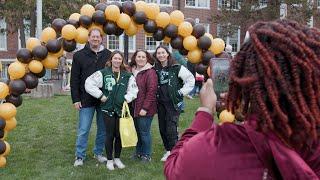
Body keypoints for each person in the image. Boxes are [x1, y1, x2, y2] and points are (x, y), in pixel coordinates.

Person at [164, 19, 320, 179]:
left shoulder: (216, 148)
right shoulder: (312, 145)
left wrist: (204, 112)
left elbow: (175, 168)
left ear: (244, 79)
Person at [85, 51, 138, 170]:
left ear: (122, 61)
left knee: (119, 135)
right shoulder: (103, 73)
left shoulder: (127, 75)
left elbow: (134, 90)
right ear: (111, 60)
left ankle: (117, 158)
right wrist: (100, 95)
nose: (117, 61)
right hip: (107, 109)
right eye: (115, 58)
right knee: (109, 134)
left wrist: (126, 98)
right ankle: (109, 159)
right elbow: (89, 83)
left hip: (121, 109)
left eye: (119, 59)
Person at [70, 28, 111, 167]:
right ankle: (79, 156)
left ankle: (98, 153)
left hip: (103, 99)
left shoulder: (108, 55)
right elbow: (74, 79)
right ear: (88, 38)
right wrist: (75, 99)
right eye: (93, 37)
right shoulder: (79, 55)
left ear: (101, 39)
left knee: (103, 128)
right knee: (84, 129)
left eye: (98, 37)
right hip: (85, 99)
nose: (95, 39)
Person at [153, 45, 195, 162]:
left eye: (163, 53)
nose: (161, 55)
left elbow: (190, 79)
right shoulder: (155, 68)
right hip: (160, 103)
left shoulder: (177, 67)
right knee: (162, 128)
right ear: (156, 55)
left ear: (167, 54)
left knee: (171, 128)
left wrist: (181, 92)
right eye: (159, 53)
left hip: (173, 102)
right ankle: (168, 151)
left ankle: (175, 152)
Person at [129, 50, 158, 162]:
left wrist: (145, 108)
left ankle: (146, 154)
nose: (140, 59)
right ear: (135, 58)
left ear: (147, 59)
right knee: (137, 131)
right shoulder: (132, 71)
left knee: (144, 132)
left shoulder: (150, 72)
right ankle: (139, 152)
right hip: (134, 107)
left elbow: (151, 92)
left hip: (145, 109)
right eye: (138, 56)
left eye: (143, 57)